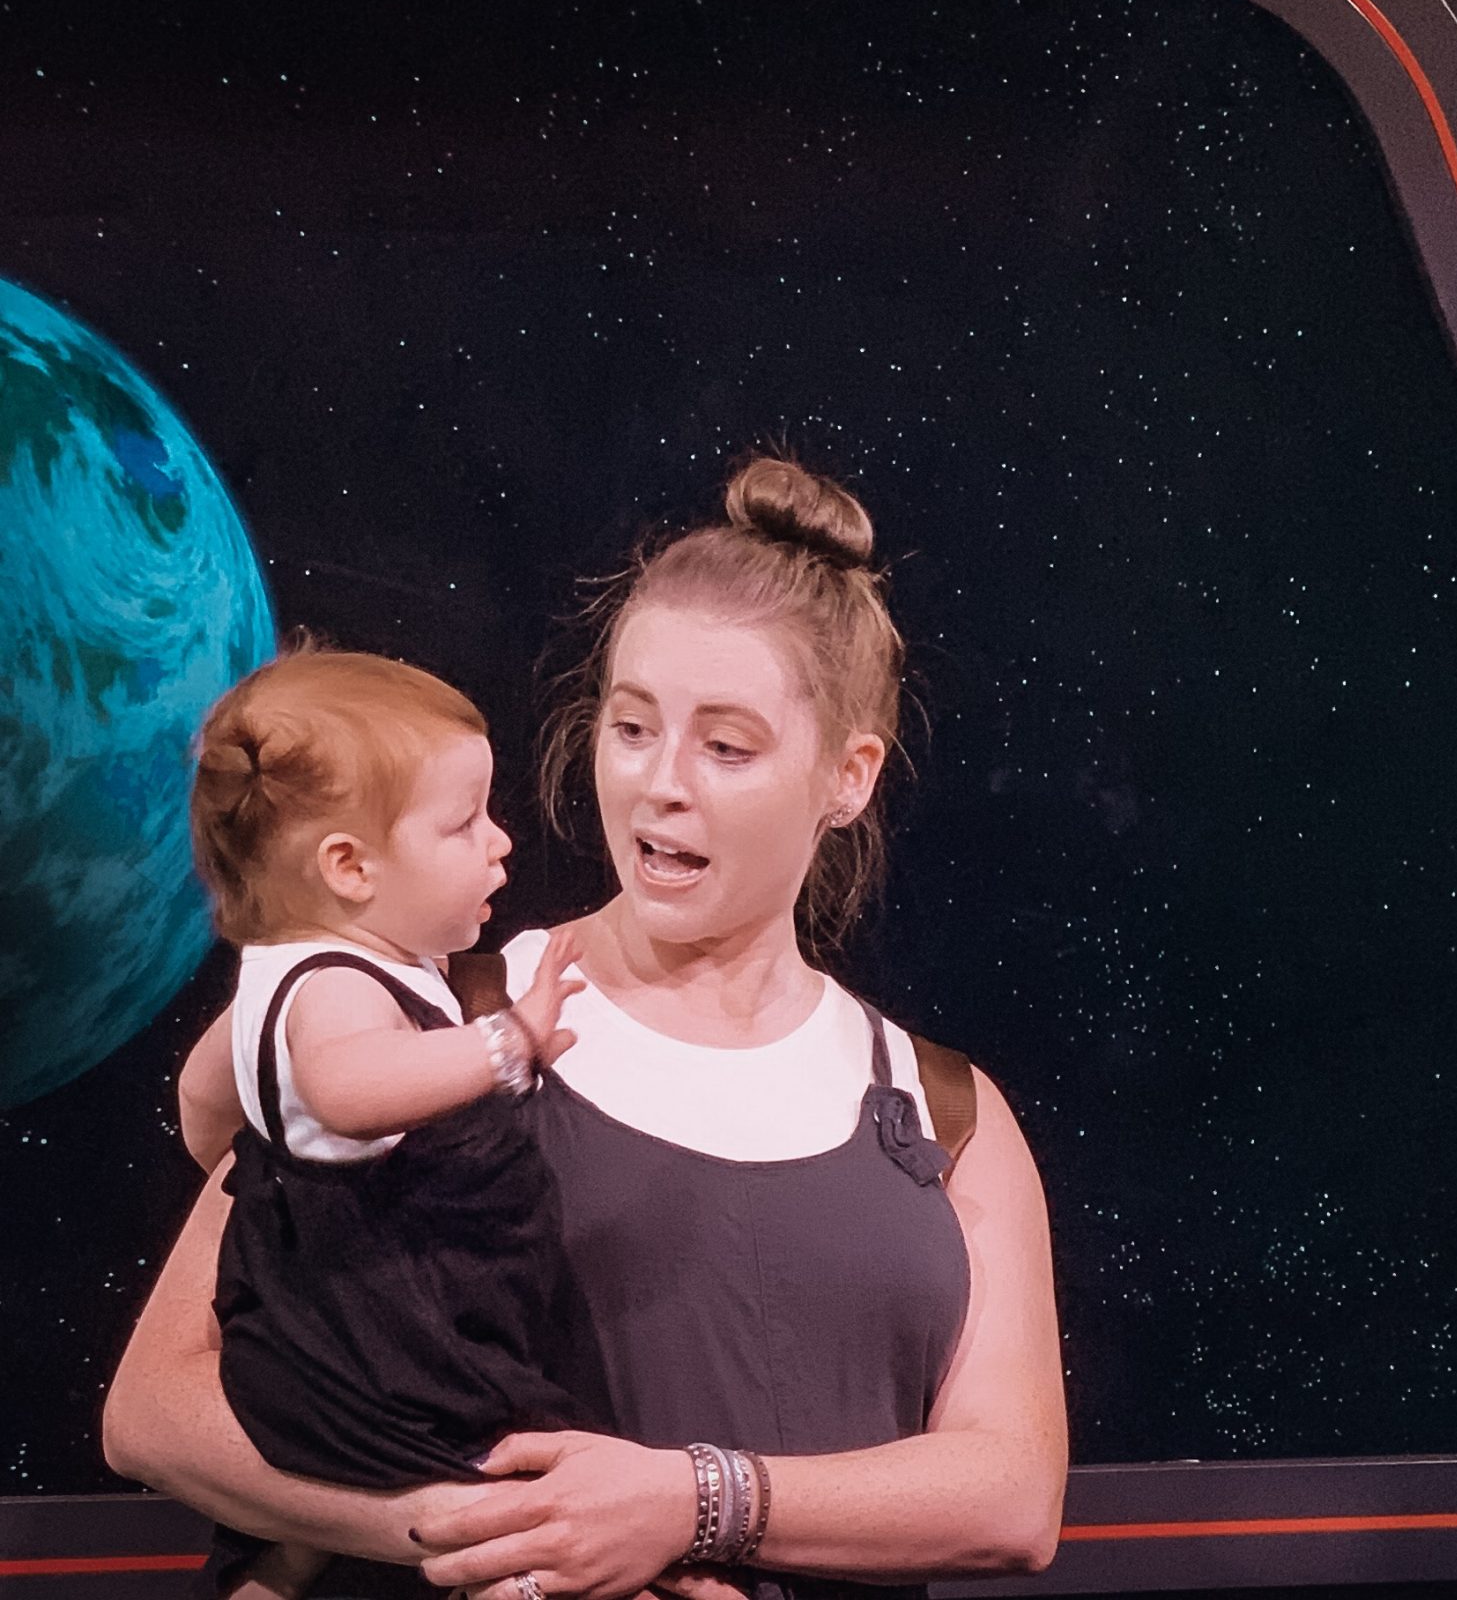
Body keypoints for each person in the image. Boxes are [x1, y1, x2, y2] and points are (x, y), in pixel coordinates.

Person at [108, 457, 1068, 1600]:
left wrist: (691, 1502)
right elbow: (158, 1407)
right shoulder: (425, 1021)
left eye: (726, 745)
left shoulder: (941, 1110)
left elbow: (1010, 1496)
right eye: (630, 726)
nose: (661, 784)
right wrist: (505, 1535)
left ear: (846, 776)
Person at [174, 649, 591, 1600]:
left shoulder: (289, 972)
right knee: (508, 1478)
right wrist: (507, 1041)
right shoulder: (328, 984)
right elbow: (349, 1091)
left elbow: (205, 1100)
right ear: (350, 867)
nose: (502, 844)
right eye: (463, 823)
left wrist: (266, 1178)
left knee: (294, 1543)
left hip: (343, 1331)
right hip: (383, 1342)